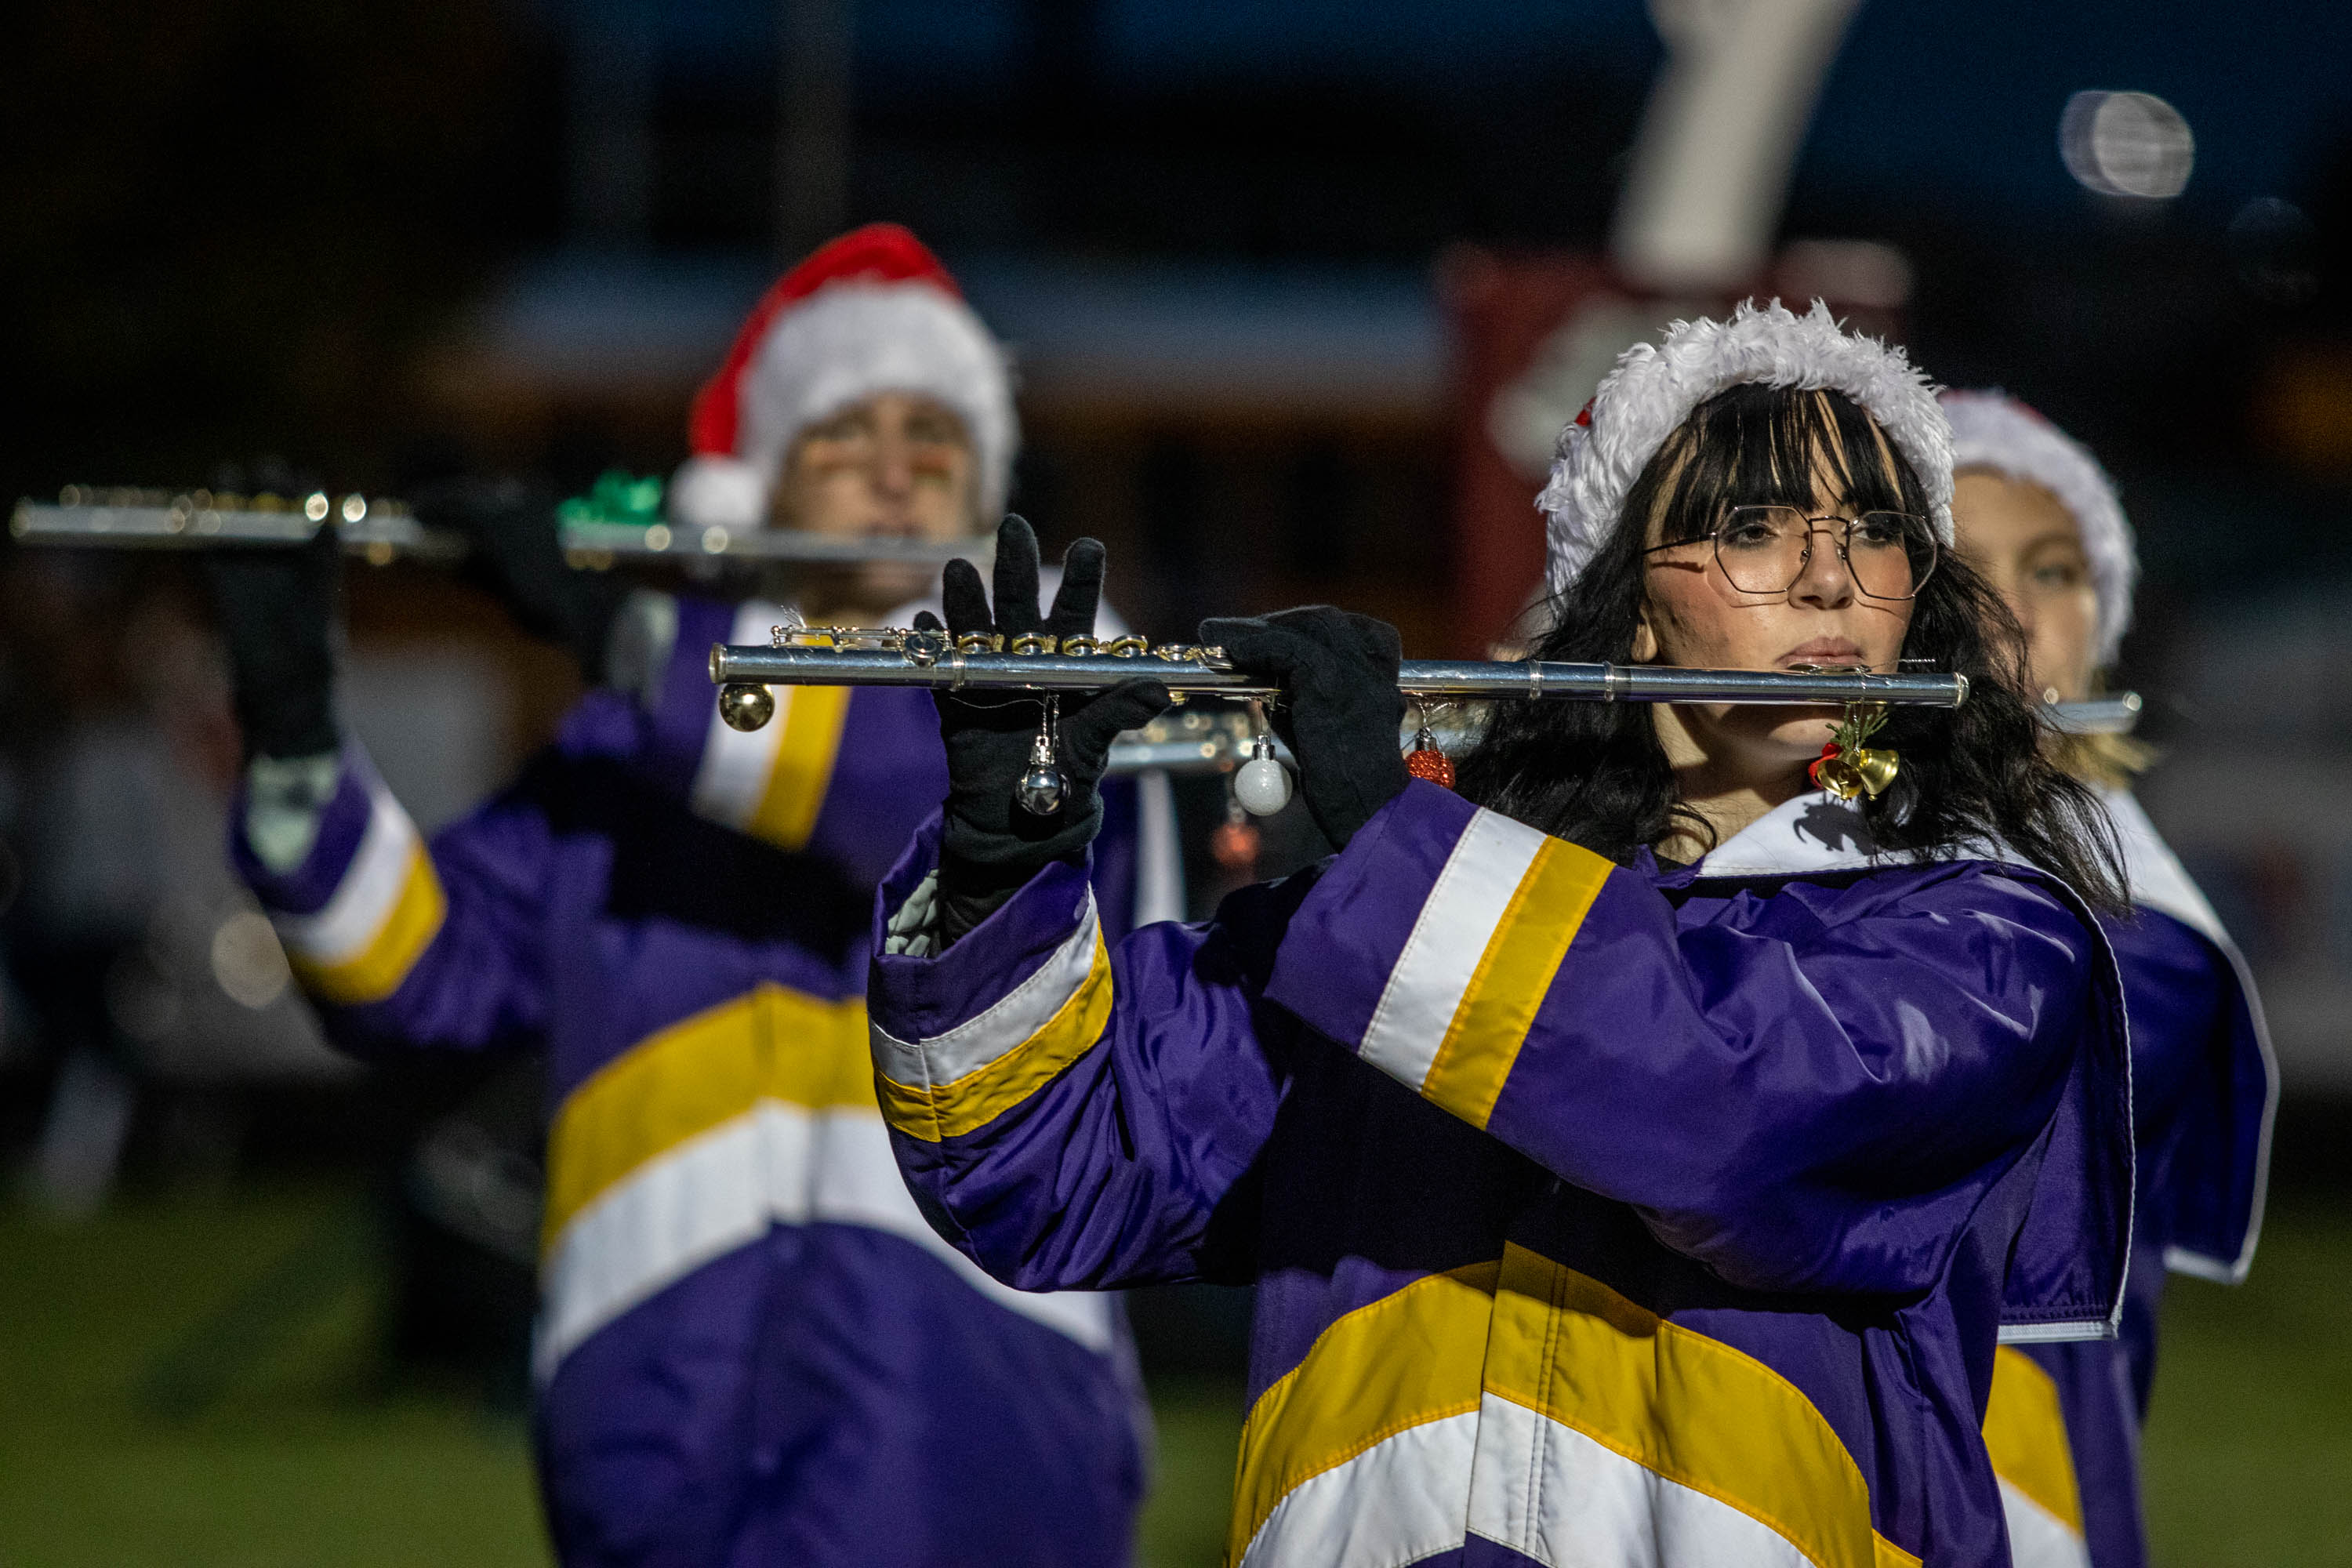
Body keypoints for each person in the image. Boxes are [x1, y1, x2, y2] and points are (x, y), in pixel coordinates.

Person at [865, 300, 2137, 1566]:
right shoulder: (1404, 928)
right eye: (1750, 528)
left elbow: (1717, 1109)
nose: (1828, 577)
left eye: (1875, 533)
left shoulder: (1984, 935)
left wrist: (1384, 833)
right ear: (1631, 604)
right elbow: (1056, 1167)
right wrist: (1003, 857)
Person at [209, 224, 1163, 1566]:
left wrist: (620, 631)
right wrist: (297, 729)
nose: (895, 466)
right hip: (656, 1427)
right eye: (844, 438)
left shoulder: (1079, 702)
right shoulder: (634, 738)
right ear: (758, 482)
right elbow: (408, 978)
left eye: (936, 438)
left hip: (974, 1418)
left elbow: (897, 774)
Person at [1944, 389, 2275, 1568]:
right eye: (1964, 568)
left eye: (2055, 572)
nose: (2018, 618)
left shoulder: (2150, 931)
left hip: (2026, 1487)